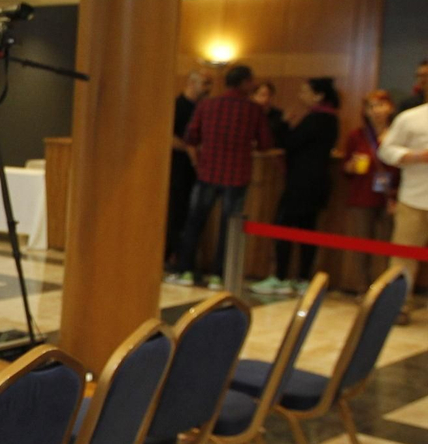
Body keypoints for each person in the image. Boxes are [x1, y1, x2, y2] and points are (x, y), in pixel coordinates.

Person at [168, 64, 274, 288]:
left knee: (194, 222)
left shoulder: (208, 105)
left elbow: (191, 136)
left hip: (207, 172)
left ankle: (185, 270)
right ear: (244, 82)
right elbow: (265, 144)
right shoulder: (252, 110)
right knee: (229, 228)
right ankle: (218, 275)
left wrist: (201, 154)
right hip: (236, 175)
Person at [250, 79, 341, 296]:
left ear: (319, 95)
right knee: (307, 229)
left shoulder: (317, 118)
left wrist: (284, 124)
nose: (301, 94)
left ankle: (281, 277)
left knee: (283, 225)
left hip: (302, 182)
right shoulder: (331, 119)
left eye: (306, 91)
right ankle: (302, 277)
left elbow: (289, 143)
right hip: (316, 181)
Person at [337, 90, 399, 294]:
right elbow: (345, 168)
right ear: (365, 111)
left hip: (391, 196)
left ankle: (382, 290)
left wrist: (396, 197)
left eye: (381, 105)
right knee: (362, 244)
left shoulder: (398, 133)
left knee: (386, 245)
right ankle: (362, 289)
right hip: (362, 195)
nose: (377, 111)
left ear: (390, 107)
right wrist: (350, 166)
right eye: (371, 106)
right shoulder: (358, 135)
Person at [379, 94, 428, 323]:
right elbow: (386, 150)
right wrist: (416, 156)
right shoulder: (411, 118)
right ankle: (398, 306)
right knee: (404, 255)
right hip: (415, 198)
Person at [167, 71, 211, 265]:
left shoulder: (205, 108)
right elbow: (168, 137)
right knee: (175, 213)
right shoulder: (177, 106)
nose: (208, 88)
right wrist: (191, 148)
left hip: (198, 172)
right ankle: (169, 255)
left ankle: (184, 258)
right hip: (177, 169)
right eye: (205, 83)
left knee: (191, 216)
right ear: (192, 83)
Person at [252, 80, 289, 147]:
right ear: (254, 96)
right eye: (262, 95)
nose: (266, 99)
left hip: (273, 151)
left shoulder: (278, 114)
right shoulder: (249, 114)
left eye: (269, 95)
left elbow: (283, 138)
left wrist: (283, 122)